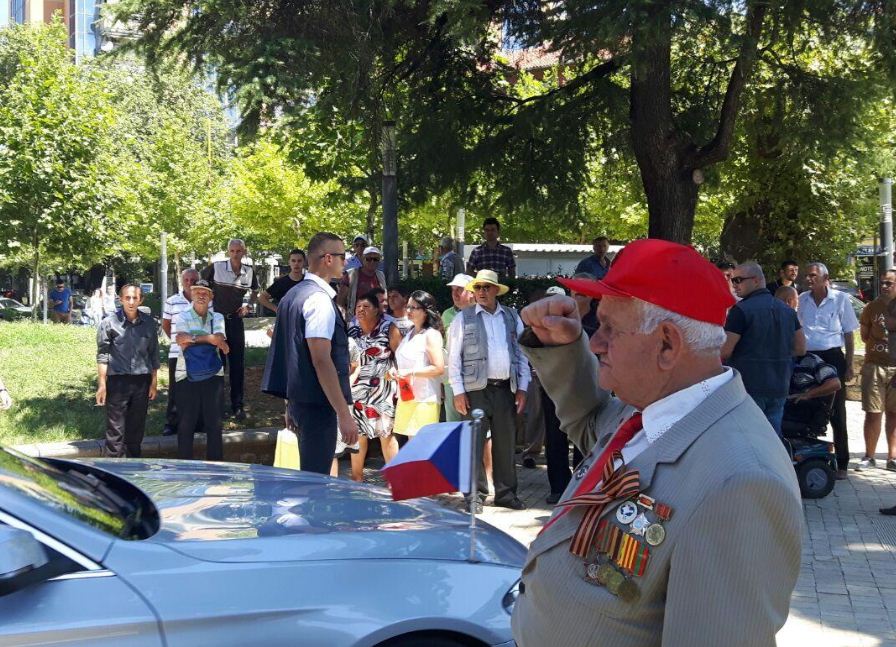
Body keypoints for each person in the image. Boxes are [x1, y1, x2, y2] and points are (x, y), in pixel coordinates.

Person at [513, 239, 802, 647]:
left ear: (667, 344)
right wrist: (562, 347)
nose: (595, 341)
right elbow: (593, 425)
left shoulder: (740, 483)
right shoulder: (659, 407)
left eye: (610, 328)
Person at [262, 232, 359, 474]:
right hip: (317, 405)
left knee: (309, 478)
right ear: (328, 258)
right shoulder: (318, 299)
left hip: (300, 401)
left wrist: (289, 404)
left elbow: (292, 354)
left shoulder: (291, 296)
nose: (345, 262)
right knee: (316, 480)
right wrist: (344, 414)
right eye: (342, 256)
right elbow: (321, 359)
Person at [448, 269, 529, 512]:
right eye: (478, 287)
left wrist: (523, 387)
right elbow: (453, 358)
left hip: (505, 388)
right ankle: (474, 496)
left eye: (486, 287)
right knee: (473, 444)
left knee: (505, 444)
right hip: (475, 390)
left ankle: (506, 493)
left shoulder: (512, 317)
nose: (481, 292)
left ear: (496, 290)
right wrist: (458, 391)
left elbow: (522, 354)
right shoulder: (463, 318)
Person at [721, 261, 805, 435]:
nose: (734, 285)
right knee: (772, 440)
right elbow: (801, 348)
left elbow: (725, 350)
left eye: (738, 280)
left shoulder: (741, 310)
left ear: (756, 280)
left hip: (748, 386)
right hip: (779, 385)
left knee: (749, 440)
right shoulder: (788, 311)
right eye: (733, 280)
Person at [799, 262, 858, 479]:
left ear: (825, 278)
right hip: (809, 357)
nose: (808, 279)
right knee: (808, 404)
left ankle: (843, 463)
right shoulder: (803, 299)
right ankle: (809, 456)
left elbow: (850, 333)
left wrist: (850, 364)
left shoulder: (840, 299)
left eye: (813, 275)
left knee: (837, 410)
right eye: (807, 275)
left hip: (832, 356)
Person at [95, 284, 160, 458]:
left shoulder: (149, 324)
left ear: (141, 300)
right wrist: (102, 385)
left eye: (135, 298)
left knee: (136, 429)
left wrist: (153, 383)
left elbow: (153, 354)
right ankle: (114, 470)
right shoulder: (109, 323)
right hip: (118, 381)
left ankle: (133, 467)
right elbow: (103, 356)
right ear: (121, 299)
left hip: (142, 380)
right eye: (127, 298)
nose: (131, 302)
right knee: (115, 429)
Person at [201, 238, 258, 421]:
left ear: (244, 252)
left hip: (235, 322)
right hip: (217, 321)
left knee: (237, 365)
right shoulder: (216, 267)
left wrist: (248, 306)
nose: (235, 254)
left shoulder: (249, 272)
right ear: (228, 252)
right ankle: (216, 405)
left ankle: (237, 406)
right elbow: (200, 285)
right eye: (232, 251)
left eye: (238, 251)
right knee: (218, 364)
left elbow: (256, 292)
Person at [173, 279, 230, 460]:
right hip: (186, 375)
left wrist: (195, 338)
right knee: (186, 424)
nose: (201, 295)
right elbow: (181, 339)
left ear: (211, 296)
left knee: (214, 423)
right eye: (197, 292)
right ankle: (184, 466)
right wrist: (209, 339)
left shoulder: (218, 317)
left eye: (206, 292)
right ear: (191, 293)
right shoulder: (182, 316)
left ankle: (216, 467)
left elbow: (220, 339)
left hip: (213, 375)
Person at [348, 293, 402, 481]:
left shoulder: (389, 327)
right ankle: (357, 477)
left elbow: (400, 356)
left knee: (386, 434)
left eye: (366, 307)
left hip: (383, 391)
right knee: (358, 436)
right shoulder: (351, 330)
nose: (361, 310)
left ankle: (395, 481)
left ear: (377, 310)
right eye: (358, 307)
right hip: (357, 390)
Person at [857, 270, 896, 471]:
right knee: (873, 413)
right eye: (883, 283)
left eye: (889, 283)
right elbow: (864, 335)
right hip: (874, 365)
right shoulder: (872, 307)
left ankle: (892, 458)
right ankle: (869, 456)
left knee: (894, 414)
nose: (884, 286)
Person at [393, 290, 445, 437]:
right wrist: (395, 371)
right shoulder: (409, 333)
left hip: (424, 399)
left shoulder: (431, 334)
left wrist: (410, 372)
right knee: (412, 447)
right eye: (408, 307)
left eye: (414, 308)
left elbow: (438, 368)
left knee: (422, 447)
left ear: (426, 311)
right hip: (407, 395)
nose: (408, 311)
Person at [161, 268, 201, 436]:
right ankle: (172, 423)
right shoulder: (172, 301)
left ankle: (198, 423)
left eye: (193, 280)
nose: (190, 283)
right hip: (177, 352)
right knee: (176, 389)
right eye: (187, 280)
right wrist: (177, 339)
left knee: (198, 388)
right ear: (182, 281)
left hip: (199, 352)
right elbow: (166, 324)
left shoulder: (205, 299)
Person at [442, 273, 475, 422]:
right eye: (452, 289)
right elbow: (443, 348)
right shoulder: (447, 315)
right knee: (453, 424)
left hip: (475, 378)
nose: (455, 294)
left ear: (471, 292)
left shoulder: (480, 313)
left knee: (476, 424)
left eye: (459, 289)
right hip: (451, 381)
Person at [338, 245, 387, 316]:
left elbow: (384, 298)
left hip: (377, 319)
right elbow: (340, 301)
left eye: (375, 259)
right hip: (355, 319)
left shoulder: (381, 275)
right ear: (362, 259)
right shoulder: (350, 275)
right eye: (368, 259)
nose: (372, 262)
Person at [258, 248, 306, 314]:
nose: (296, 264)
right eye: (293, 261)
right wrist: (276, 309)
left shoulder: (308, 281)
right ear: (289, 262)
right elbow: (262, 298)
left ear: (304, 262)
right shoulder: (281, 282)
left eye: (299, 261)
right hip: (286, 321)